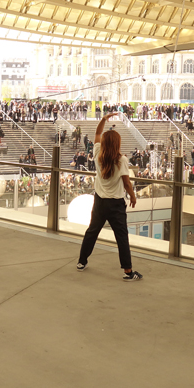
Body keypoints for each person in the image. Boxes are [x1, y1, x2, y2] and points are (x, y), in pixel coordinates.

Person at [76, 112, 142, 281]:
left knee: (92, 231)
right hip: (116, 203)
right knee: (121, 237)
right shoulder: (121, 160)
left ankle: (82, 262)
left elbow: (97, 134)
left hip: (99, 201)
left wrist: (104, 119)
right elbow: (127, 183)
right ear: (117, 144)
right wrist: (133, 196)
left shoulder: (98, 154)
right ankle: (128, 271)